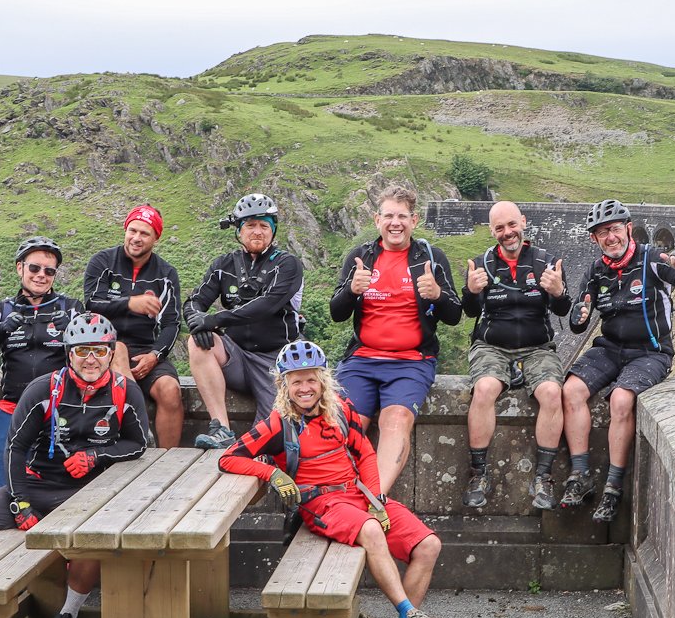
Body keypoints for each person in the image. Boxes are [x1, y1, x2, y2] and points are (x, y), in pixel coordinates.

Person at [218, 341, 444, 618]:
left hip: (358, 495)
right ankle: (410, 614)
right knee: (370, 530)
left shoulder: (340, 410)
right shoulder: (277, 423)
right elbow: (230, 458)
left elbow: (365, 452)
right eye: (296, 381)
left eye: (311, 379)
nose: (305, 388)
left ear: (323, 381)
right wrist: (273, 475)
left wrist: (376, 499)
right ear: (284, 385)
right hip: (321, 505)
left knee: (428, 545)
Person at [0, 313, 149, 618]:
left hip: (90, 491)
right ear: (68, 353)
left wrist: (96, 457)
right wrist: (21, 503)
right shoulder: (43, 389)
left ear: (110, 353)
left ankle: (68, 614)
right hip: (38, 483)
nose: (91, 359)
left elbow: (139, 443)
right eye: (82, 351)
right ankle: (21, 601)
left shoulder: (125, 391)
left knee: (89, 544)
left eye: (100, 352)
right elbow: (14, 448)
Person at [563, 199, 675, 522]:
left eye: (615, 229)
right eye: (602, 233)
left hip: (651, 350)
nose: (610, 237)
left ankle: (613, 487)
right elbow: (578, 322)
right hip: (610, 348)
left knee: (621, 399)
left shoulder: (653, 260)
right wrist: (579, 314)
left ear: (628, 229)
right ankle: (580, 475)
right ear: (594, 239)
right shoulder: (596, 270)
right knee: (571, 391)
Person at [329, 185, 462, 493]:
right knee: (343, 424)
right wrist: (352, 290)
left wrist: (438, 295)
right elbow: (336, 313)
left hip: (412, 361)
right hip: (362, 359)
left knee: (397, 420)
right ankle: (332, 494)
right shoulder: (361, 257)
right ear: (377, 220)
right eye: (388, 215)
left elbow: (454, 315)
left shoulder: (431, 257)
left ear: (414, 221)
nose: (395, 223)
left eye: (402, 216)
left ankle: (375, 498)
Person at [461, 201, 571, 510]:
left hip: (538, 347)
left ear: (523, 222)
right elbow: (467, 312)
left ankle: (543, 478)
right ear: (492, 231)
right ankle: (479, 474)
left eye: (511, 225)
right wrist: (470, 291)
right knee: (484, 390)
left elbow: (564, 311)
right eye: (499, 228)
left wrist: (559, 291)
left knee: (551, 393)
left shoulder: (546, 262)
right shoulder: (481, 264)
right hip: (491, 345)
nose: (507, 233)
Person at [184, 193, 305, 448]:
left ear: (273, 231)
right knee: (197, 342)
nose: (257, 232)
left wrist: (214, 320)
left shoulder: (288, 264)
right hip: (236, 355)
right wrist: (198, 323)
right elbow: (193, 302)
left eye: (264, 226)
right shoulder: (223, 265)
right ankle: (222, 429)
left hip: (275, 359)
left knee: (271, 436)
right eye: (250, 225)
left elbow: (267, 305)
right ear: (238, 230)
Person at [0, 236, 82, 490]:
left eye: (49, 270)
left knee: (57, 487)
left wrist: (73, 336)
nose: (41, 275)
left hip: (59, 411)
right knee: (3, 485)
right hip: (13, 409)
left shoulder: (71, 308)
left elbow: (91, 360)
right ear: (19, 267)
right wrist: (0, 330)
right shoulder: (1, 309)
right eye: (34, 268)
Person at [84, 205, 183, 448]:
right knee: (118, 348)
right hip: (104, 344)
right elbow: (92, 303)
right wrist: (130, 302)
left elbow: (172, 323)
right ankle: (141, 436)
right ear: (125, 230)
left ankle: (168, 459)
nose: (136, 238)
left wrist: (154, 355)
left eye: (144, 233)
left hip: (145, 348)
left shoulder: (166, 273)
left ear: (156, 238)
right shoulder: (103, 262)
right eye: (132, 231)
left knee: (170, 390)